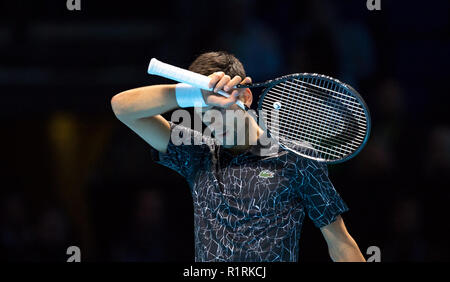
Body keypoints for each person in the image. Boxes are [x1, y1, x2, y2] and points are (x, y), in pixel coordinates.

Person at [111, 51, 365, 262]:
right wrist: (194, 93)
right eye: (204, 110)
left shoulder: (295, 158)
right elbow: (122, 108)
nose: (213, 120)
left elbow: (340, 243)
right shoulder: (197, 153)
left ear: (245, 96)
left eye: (221, 107)